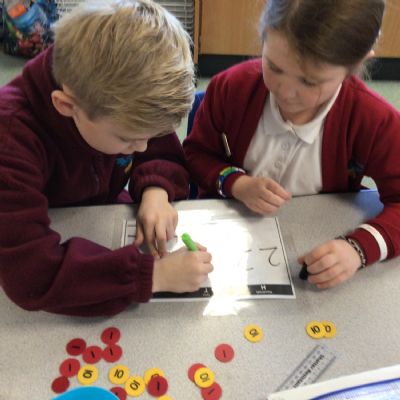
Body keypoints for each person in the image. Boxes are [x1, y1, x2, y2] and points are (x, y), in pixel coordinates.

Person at [0, 0, 213, 317]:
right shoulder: (9, 141)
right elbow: (31, 275)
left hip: (98, 211)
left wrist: (156, 191)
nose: (142, 147)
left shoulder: (120, 101)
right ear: (66, 106)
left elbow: (159, 147)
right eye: (127, 139)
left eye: (148, 135)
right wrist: (154, 276)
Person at [183, 0, 400, 289]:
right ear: (263, 37)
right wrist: (236, 183)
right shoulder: (230, 88)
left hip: (313, 252)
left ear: (357, 63)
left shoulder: (375, 121)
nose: (285, 92)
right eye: (274, 67)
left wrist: (357, 249)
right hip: (228, 244)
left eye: (310, 82)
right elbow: (195, 153)